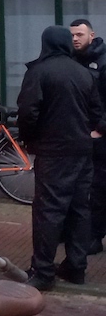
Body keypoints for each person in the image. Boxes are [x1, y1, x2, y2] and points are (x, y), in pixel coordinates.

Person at [16, 25, 105, 290]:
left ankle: (43, 272)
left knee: (49, 211)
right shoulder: (84, 73)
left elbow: (28, 112)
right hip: (83, 152)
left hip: (53, 153)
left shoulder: (39, 72)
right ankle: (76, 267)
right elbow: (97, 112)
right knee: (80, 209)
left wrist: (29, 139)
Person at [70, 17, 106, 254]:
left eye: (80, 34)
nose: (75, 39)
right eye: (72, 35)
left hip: (98, 137)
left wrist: (100, 129)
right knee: (75, 186)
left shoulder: (103, 62)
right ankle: (73, 233)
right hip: (76, 135)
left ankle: (95, 236)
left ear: (91, 35)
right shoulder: (70, 60)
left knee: (98, 188)